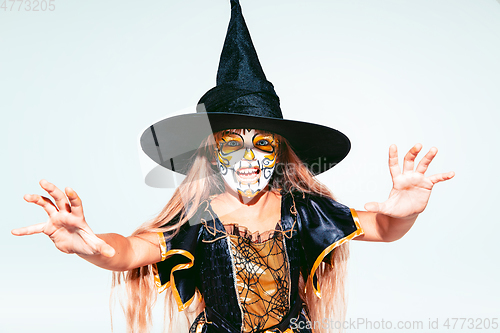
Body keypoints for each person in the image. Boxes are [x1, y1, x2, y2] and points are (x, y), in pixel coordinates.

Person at [11, 1, 454, 333]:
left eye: (262, 144)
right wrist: (90, 246)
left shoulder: (303, 210)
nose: (247, 159)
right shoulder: (195, 220)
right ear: (209, 153)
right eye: (231, 143)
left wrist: (407, 209)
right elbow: (128, 250)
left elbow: (382, 227)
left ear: (280, 152)